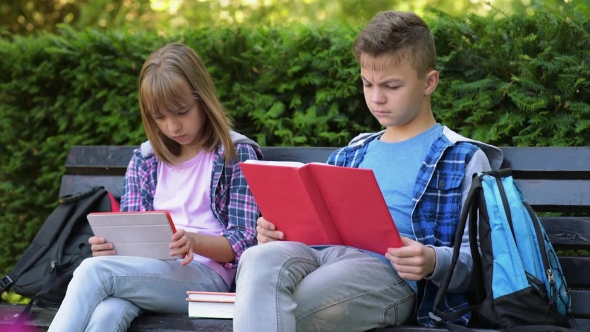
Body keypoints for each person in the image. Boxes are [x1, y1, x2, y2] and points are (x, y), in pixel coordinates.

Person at [233, 10, 503, 332]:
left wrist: (432, 259)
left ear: (429, 82)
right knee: (257, 258)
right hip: (320, 257)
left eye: (391, 86)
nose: (376, 98)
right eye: (367, 84)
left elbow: (483, 260)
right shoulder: (352, 153)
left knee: (281, 305)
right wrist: (275, 231)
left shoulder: (461, 157)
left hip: (386, 275)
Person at [48, 43, 262, 332]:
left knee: (93, 272)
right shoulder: (146, 160)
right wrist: (112, 247)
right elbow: (133, 237)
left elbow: (246, 242)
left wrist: (194, 241)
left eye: (181, 111)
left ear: (203, 99)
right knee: (106, 314)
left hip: (207, 279)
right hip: (148, 274)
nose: (173, 126)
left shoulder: (234, 154)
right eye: (160, 117)